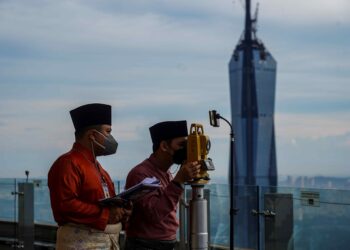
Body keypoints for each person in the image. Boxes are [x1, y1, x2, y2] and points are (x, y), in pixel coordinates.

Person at [48, 103, 131, 250]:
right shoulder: (67, 163)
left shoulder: (99, 168)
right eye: (108, 132)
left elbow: (106, 205)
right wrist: (106, 214)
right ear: (92, 136)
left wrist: (121, 211)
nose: (110, 137)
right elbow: (64, 206)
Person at [124, 120, 201, 250]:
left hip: (165, 243)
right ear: (164, 146)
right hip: (145, 245)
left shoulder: (166, 173)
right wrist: (178, 182)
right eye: (182, 144)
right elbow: (154, 214)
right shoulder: (140, 174)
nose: (185, 149)